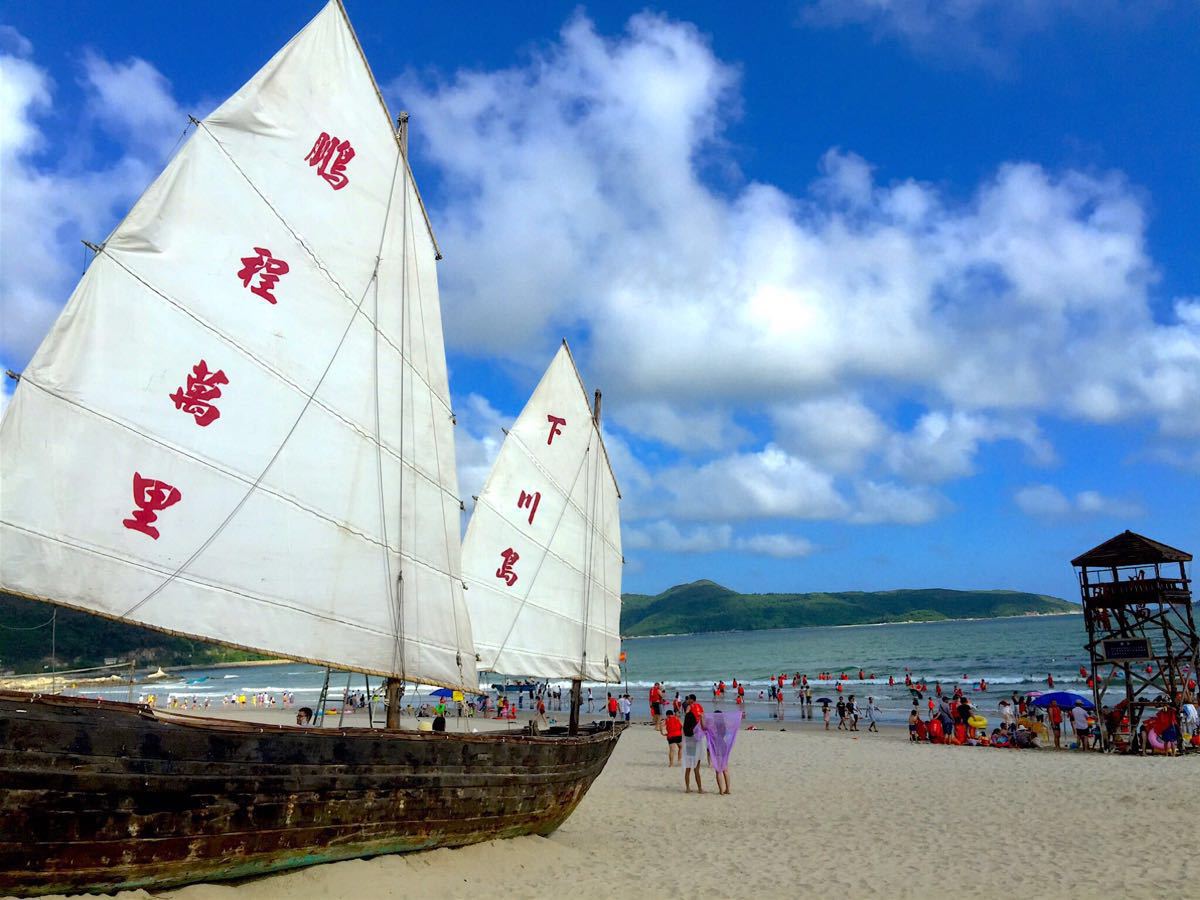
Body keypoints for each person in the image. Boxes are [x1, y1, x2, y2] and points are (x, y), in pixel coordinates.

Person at [682, 694, 705, 793]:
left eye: (689, 699)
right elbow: (703, 718)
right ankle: (699, 789)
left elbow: (686, 718)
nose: (687, 700)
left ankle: (687, 788)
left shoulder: (689, 707)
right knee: (696, 767)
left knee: (688, 766)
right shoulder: (698, 706)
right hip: (697, 736)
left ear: (692, 699)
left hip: (690, 738)